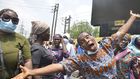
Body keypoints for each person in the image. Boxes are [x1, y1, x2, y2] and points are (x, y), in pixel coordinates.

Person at [12, 10, 140, 79]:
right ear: (81, 47)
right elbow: (58, 66)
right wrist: (31, 72)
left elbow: (121, 32)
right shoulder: (80, 59)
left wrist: (133, 18)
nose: (87, 41)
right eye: (82, 41)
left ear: (92, 37)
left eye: (87, 37)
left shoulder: (107, 45)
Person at [0, 8, 32, 79]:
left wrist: (28, 76)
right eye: (6, 18)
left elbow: (28, 61)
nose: (10, 21)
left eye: (14, 20)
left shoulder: (22, 39)